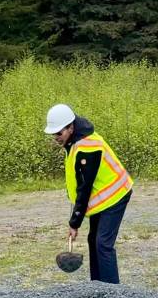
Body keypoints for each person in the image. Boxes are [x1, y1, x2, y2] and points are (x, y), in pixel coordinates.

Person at [44, 104, 132, 284]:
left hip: (116, 195)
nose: (56, 138)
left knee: (103, 244)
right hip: (102, 198)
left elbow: (84, 188)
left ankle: (112, 293)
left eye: (59, 133)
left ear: (71, 127)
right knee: (93, 240)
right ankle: (97, 286)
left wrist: (74, 223)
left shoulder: (87, 147)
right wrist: (74, 219)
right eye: (53, 134)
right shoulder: (74, 140)